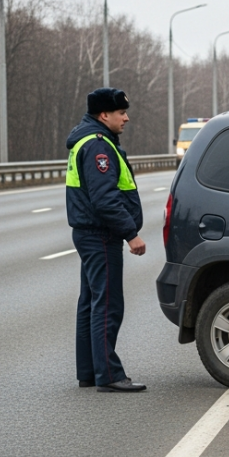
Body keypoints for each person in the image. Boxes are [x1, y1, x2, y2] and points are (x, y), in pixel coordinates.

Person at [66, 88, 147, 392]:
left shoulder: (87, 140)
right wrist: (131, 233)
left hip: (89, 233)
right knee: (107, 304)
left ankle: (89, 371)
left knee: (90, 302)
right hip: (100, 235)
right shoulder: (98, 147)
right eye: (121, 113)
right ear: (104, 115)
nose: (126, 118)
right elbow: (104, 198)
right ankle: (109, 375)